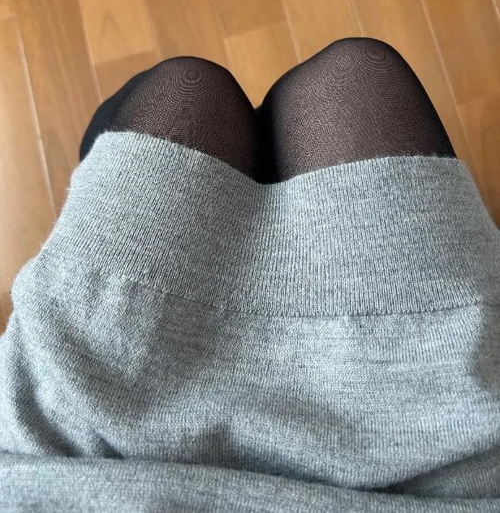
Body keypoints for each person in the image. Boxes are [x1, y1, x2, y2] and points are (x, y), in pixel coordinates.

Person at [1, 37, 499, 512]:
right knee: (357, 74)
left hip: (88, 439)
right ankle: (256, 172)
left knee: (189, 90)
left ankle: (216, 170)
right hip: (433, 444)